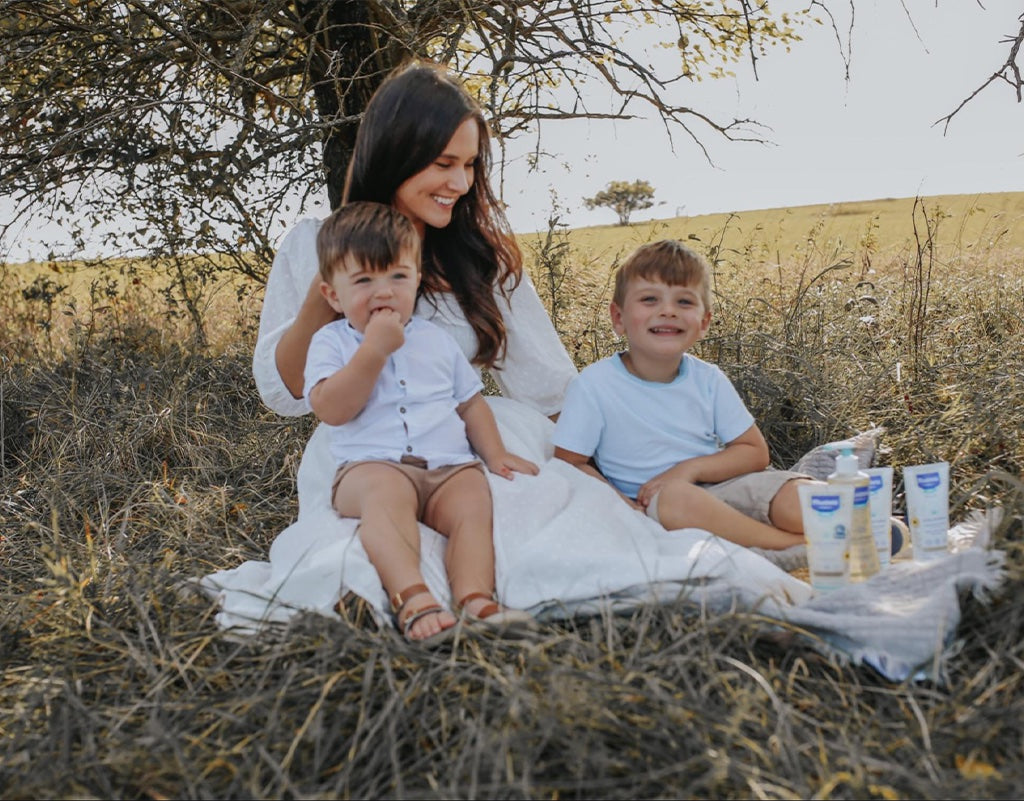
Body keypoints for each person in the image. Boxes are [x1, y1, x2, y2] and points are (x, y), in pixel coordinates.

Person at [201, 60, 812, 636]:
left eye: (470, 166)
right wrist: (326, 290)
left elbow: (550, 388)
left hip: (473, 433)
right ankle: (425, 601)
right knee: (356, 560)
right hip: (363, 445)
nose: (460, 184)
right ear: (396, 154)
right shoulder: (314, 242)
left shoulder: (480, 256)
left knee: (536, 517)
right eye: (444, 163)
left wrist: (617, 464)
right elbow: (286, 392)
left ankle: (498, 596)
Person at [306, 200, 537, 643]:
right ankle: (413, 596)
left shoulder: (436, 340)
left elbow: (470, 404)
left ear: (417, 280)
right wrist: (373, 351)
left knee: (473, 500)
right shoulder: (332, 342)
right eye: (364, 280)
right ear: (333, 294)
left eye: (398, 276)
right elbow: (332, 409)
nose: (384, 291)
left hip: (446, 464)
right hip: (369, 466)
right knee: (385, 496)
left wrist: (495, 454)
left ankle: (474, 597)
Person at [553, 239, 816, 551]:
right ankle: (792, 548)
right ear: (618, 317)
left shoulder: (707, 379)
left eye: (684, 302)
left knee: (800, 498)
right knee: (678, 498)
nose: (668, 311)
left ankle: (866, 524)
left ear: (704, 322)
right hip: (660, 503)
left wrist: (688, 469)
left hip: (727, 484)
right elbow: (569, 462)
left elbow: (754, 453)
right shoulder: (595, 385)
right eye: (649, 299)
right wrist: (622, 504)